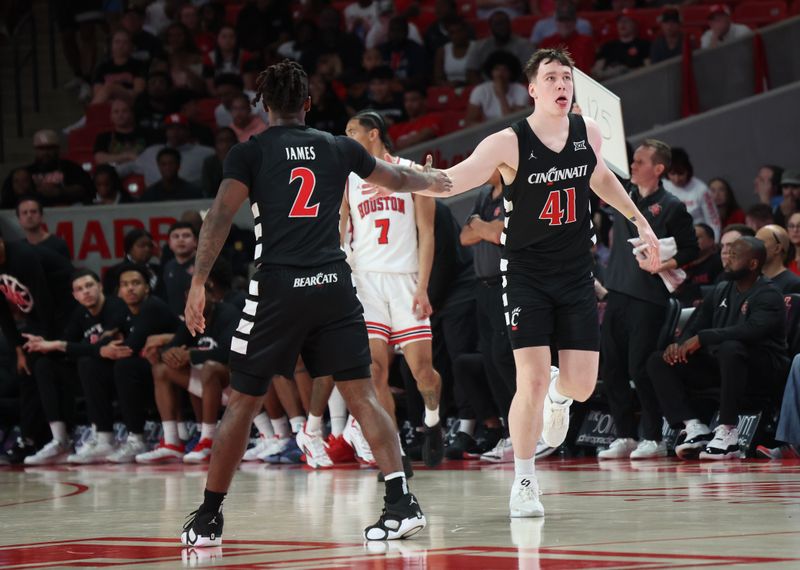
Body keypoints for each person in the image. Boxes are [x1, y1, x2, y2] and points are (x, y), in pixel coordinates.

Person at [369, 48, 660, 517]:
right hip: (525, 273)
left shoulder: (589, 132)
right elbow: (451, 181)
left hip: (575, 273)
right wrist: (403, 178)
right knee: (530, 378)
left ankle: (560, 396)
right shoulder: (508, 142)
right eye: (552, 78)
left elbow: (601, 178)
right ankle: (525, 480)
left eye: (567, 77)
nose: (562, 84)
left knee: (583, 386)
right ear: (534, 89)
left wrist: (639, 221)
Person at [179, 60, 452, 547]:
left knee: (243, 399)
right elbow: (397, 178)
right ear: (308, 104)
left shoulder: (250, 152)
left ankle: (208, 517)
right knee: (363, 393)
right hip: (334, 282)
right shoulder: (337, 146)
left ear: (264, 106)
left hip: (278, 286)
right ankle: (401, 502)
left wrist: (199, 281)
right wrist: (434, 181)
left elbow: (219, 217)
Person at [340, 111, 445, 472]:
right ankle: (394, 450)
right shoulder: (348, 178)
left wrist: (423, 286)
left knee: (423, 373)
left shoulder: (412, 170)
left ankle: (432, 422)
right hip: (366, 282)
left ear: (373, 134)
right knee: (374, 371)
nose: (345, 136)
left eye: (351, 131)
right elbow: (340, 231)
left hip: (405, 281)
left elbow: (427, 233)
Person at [598, 140, 698, 460]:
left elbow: (691, 249)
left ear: (658, 169)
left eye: (640, 161)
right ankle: (625, 434)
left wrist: (663, 264)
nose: (633, 165)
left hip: (648, 296)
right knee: (612, 367)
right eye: (634, 160)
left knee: (639, 367)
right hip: (616, 290)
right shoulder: (622, 194)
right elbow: (599, 169)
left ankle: (653, 438)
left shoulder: (672, 205)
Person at [648, 237, 788, 460]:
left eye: (735, 255)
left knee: (731, 347)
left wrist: (702, 338)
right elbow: (695, 326)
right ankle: (694, 427)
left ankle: (729, 432)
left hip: (761, 370)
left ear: (752, 264)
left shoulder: (769, 294)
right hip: (723, 364)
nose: (728, 259)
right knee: (659, 359)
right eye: (728, 254)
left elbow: (749, 331)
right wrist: (679, 345)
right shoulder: (721, 289)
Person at [22, 269, 129, 464]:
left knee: (88, 363)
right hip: (91, 375)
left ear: (100, 286)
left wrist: (58, 345)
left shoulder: (116, 306)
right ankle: (60, 440)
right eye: (79, 289)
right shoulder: (81, 313)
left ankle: (105, 439)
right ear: (74, 295)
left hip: (120, 372)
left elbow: (101, 347)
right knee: (45, 365)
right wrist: (45, 343)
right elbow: (69, 345)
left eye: (89, 286)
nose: (85, 292)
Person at [459, 169, 516, 462]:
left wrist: (480, 226)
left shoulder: (514, 190)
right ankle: (509, 433)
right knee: (492, 362)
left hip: (507, 283)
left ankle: (526, 432)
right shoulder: (483, 195)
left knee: (505, 357)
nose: (480, 168)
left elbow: (497, 234)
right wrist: (484, 227)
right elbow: (465, 236)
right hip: (483, 288)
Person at [1, 130, 94, 207]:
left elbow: (88, 190)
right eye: (41, 149)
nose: (45, 153)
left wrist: (60, 192)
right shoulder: (24, 173)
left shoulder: (72, 168)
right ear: (35, 150)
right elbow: (7, 200)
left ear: (57, 149)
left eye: (50, 148)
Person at [662, 148, 721, 240]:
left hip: (697, 238)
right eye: (672, 174)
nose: (677, 179)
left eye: (681, 173)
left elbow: (713, 220)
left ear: (688, 170)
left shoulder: (701, 189)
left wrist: (715, 241)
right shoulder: (662, 186)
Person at [466, 11, 534, 85]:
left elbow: (531, 71)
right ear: (491, 27)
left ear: (509, 25)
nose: (502, 27)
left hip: (517, 87)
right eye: (497, 24)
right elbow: (471, 72)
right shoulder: (479, 46)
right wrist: (485, 90)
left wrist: (514, 88)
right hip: (487, 88)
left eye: (504, 23)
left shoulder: (525, 45)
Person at [466, 51, 530, 125]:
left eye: (504, 70)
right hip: (488, 132)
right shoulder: (480, 90)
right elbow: (469, 122)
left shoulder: (520, 90)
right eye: (497, 69)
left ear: (511, 72)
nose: (500, 74)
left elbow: (513, 124)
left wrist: (501, 95)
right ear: (491, 71)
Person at [91, 29, 146, 104]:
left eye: (125, 42)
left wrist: (116, 89)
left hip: (129, 100)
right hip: (108, 101)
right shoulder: (102, 66)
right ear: (111, 45)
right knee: (108, 90)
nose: (121, 46)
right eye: (117, 42)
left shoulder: (138, 65)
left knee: (109, 87)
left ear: (131, 46)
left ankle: (91, 113)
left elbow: (138, 92)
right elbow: (97, 91)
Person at [592, 11, 651, 80]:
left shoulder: (644, 45)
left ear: (635, 24)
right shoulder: (608, 46)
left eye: (626, 21)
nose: (622, 24)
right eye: (619, 21)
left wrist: (627, 71)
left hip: (634, 82)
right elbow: (596, 71)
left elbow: (649, 69)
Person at [537, 3, 595, 73]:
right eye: (561, 20)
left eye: (568, 20)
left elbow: (587, 70)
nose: (564, 24)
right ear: (556, 22)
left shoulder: (586, 42)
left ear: (575, 21)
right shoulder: (546, 42)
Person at [675, 223, 723, 307]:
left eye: (697, 237)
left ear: (711, 241)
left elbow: (720, 290)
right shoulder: (680, 262)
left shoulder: (719, 262)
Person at [160, 222, 198, 317]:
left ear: (196, 242)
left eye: (186, 236)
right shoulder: (168, 266)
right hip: (175, 322)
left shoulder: (205, 264)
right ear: (169, 243)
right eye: (176, 236)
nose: (181, 239)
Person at [388, 86, 443, 151]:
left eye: (413, 100)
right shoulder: (396, 128)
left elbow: (427, 134)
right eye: (406, 101)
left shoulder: (433, 118)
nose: (409, 104)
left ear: (425, 101)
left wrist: (401, 144)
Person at [754, 224, 800, 294]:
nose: (754, 247)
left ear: (777, 248)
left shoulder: (793, 284)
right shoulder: (752, 280)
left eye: (760, 242)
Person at [433, 17, 476, 86]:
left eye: (459, 31)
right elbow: (438, 79)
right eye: (452, 33)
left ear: (466, 31)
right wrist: (448, 84)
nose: (456, 35)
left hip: (472, 87)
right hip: (450, 89)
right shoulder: (442, 51)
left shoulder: (477, 47)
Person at [202, 128, 238, 198]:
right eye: (221, 141)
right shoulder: (209, 163)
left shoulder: (244, 161)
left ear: (236, 143)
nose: (226, 145)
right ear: (215, 145)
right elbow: (207, 190)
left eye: (229, 140)